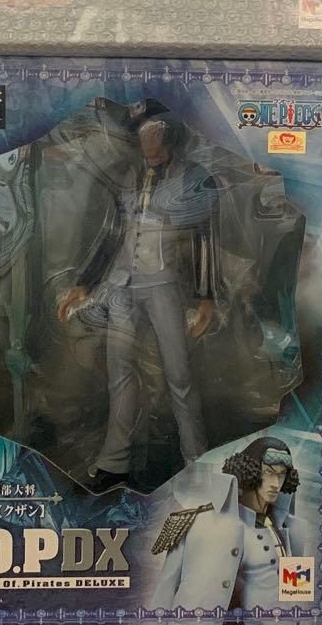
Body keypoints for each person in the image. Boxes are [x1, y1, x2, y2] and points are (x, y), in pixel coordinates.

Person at [56, 116, 217, 492]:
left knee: (179, 374)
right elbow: (111, 233)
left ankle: (196, 459)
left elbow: (203, 238)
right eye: (144, 133)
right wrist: (85, 282)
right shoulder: (126, 175)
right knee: (120, 372)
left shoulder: (193, 177)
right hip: (120, 284)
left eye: (156, 132)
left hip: (163, 284)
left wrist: (205, 295)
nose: (150, 140)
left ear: (170, 134)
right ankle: (115, 461)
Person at [150, 436, 312, 612]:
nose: (276, 484)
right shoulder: (199, 523)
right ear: (250, 471)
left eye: (281, 475)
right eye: (268, 473)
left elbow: (296, 597)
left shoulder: (291, 530)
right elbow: (164, 592)